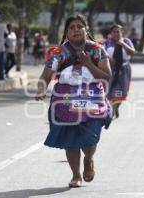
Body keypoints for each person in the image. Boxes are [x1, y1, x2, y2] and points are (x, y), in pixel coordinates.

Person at [35, 15, 112, 188]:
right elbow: (46, 75)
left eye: (79, 26)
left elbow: (107, 76)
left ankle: (89, 158)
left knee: (91, 137)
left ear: (86, 30)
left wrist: (88, 64)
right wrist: (41, 89)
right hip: (66, 100)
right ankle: (76, 175)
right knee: (70, 138)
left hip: (92, 98)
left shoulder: (98, 50)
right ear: (67, 33)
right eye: (72, 27)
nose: (76, 29)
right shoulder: (58, 53)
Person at [103, 24, 135, 119]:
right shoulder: (107, 43)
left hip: (124, 69)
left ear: (122, 33)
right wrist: (108, 59)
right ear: (111, 33)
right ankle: (112, 108)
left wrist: (123, 44)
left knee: (122, 91)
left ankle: (116, 107)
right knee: (110, 89)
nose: (116, 33)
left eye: (118, 31)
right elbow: (101, 53)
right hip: (111, 69)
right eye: (114, 32)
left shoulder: (127, 41)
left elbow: (132, 52)